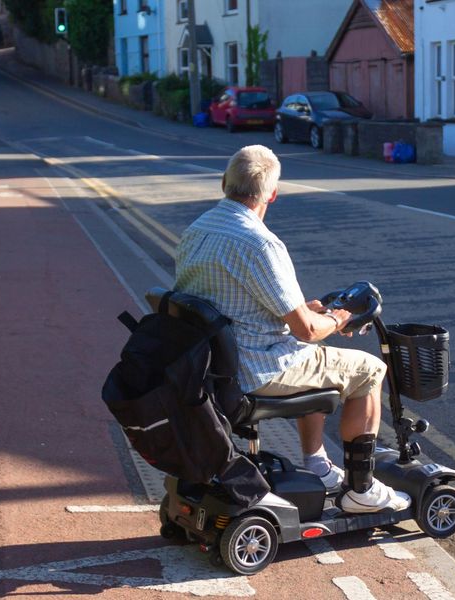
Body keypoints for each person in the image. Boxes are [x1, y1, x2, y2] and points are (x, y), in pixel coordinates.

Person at [173, 145, 410, 513]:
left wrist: (306, 312)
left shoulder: (197, 230)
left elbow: (234, 301)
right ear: (272, 194)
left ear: (224, 184)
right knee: (369, 369)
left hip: (209, 365)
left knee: (317, 359)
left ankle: (317, 465)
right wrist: (337, 319)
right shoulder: (260, 244)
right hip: (255, 369)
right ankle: (361, 490)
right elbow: (307, 331)